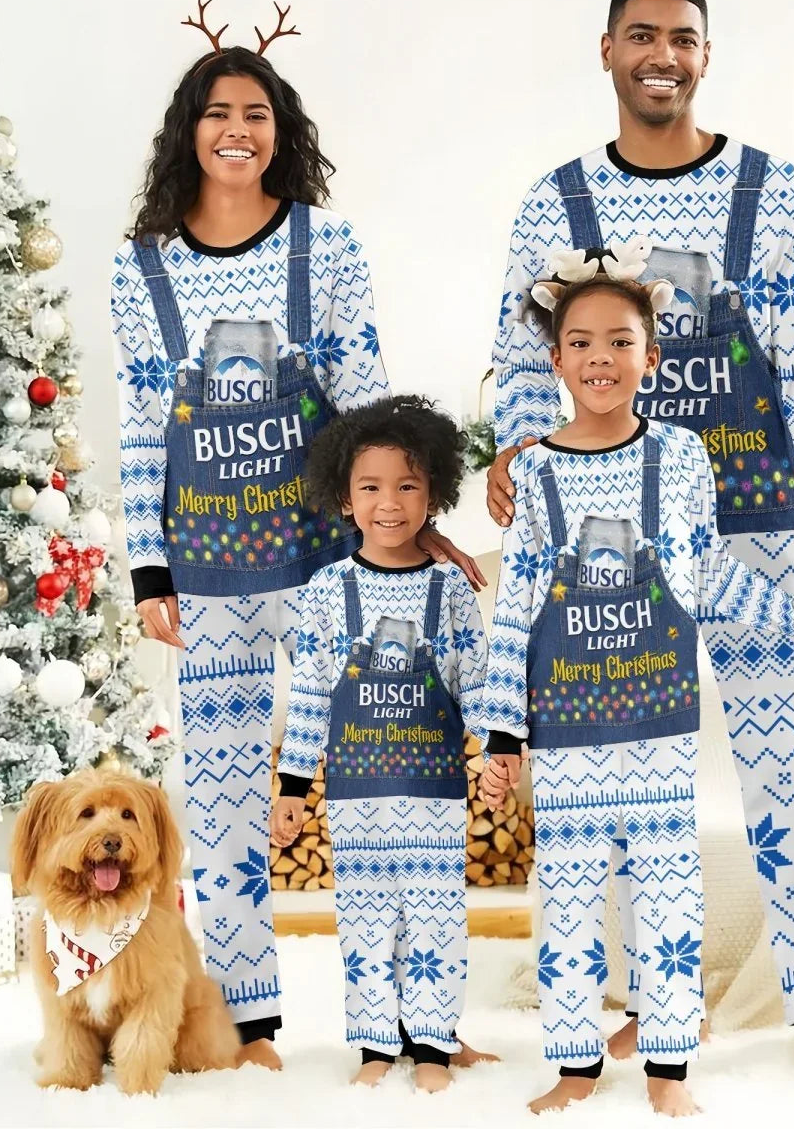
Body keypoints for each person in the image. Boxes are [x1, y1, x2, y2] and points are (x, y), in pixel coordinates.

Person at [486, 0, 794, 1073]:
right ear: (609, 51)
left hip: (756, 523)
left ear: (704, 55)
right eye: (640, 36)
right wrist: (517, 463)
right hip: (605, 541)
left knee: (790, 768)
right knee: (619, 770)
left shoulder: (777, 195)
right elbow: (528, 364)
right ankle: (651, 1001)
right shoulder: (555, 206)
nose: (660, 54)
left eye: (680, 37)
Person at [110, 19, 482, 1066]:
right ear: (190, 132)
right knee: (224, 799)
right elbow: (145, 432)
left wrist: (421, 524)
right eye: (218, 112)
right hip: (213, 575)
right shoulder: (143, 271)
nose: (237, 130)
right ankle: (252, 1020)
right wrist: (150, 568)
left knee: (384, 781)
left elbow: (366, 406)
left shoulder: (328, 248)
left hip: (333, 568)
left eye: (256, 114)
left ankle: (413, 1021)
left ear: (281, 134)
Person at [479, 273, 794, 1115]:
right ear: (556, 360)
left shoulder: (679, 455)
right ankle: (575, 1065)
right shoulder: (537, 473)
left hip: (660, 721)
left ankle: (669, 1070)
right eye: (582, 344)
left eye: (620, 342)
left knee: (669, 895)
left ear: (650, 357)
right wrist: (500, 734)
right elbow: (516, 605)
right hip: (565, 727)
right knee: (568, 903)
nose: (601, 359)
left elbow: (702, 576)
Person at [271, 396, 494, 1092]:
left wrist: (495, 751)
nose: (389, 503)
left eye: (407, 486)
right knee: (363, 921)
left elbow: (477, 683)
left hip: (431, 793)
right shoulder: (325, 592)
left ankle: (431, 1044)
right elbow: (309, 696)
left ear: (434, 494)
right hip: (356, 795)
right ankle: (374, 1043)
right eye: (370, 487)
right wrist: (293, 789)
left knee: (436, 918)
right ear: (344, 497)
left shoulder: (450, 588)